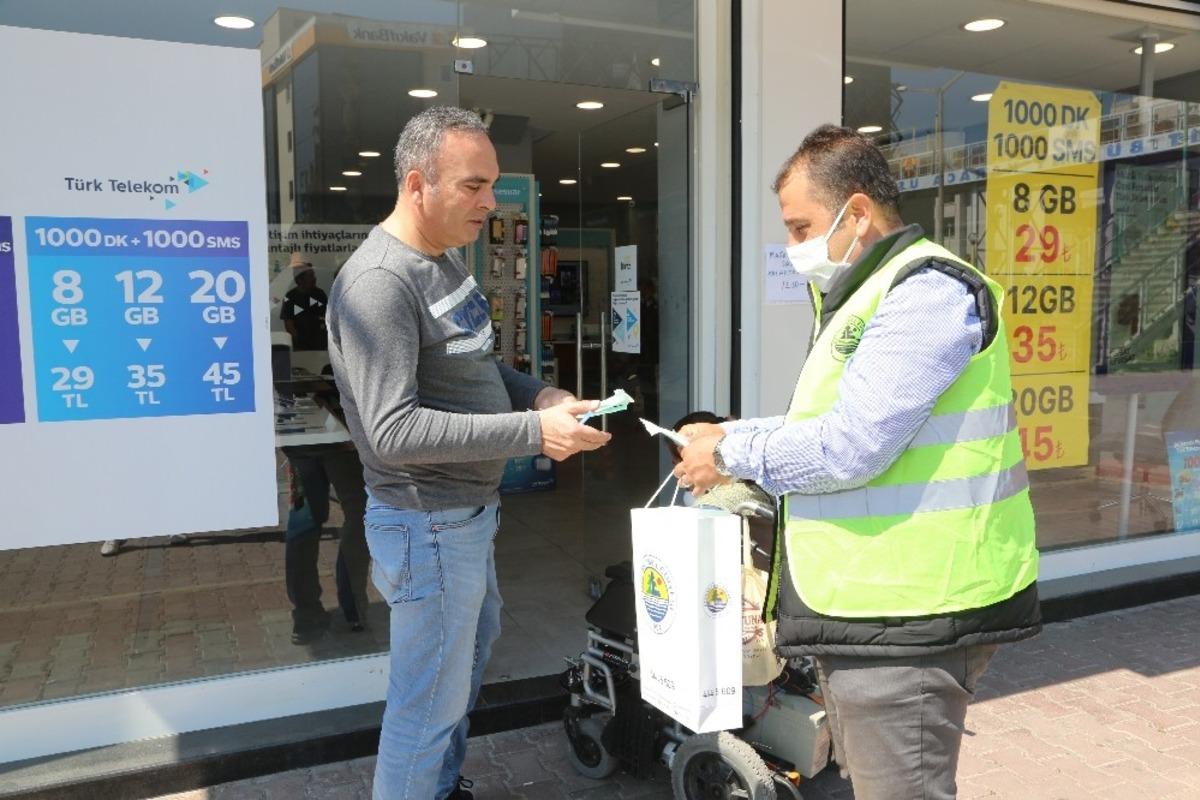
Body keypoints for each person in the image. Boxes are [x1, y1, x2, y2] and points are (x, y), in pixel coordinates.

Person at [673, 124, 1041, 800]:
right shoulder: (867, 294)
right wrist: (732, 434)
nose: (793, 248)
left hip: (914, 615)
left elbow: (851, 445)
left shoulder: (924, 294)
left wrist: (729, 451)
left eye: (800, 226)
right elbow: (831, 424)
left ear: (859, 212)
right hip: (877, 606)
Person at [327, 105, 610, 800]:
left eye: (492, 185)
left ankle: (441, 789)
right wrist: (532, 435)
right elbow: (391, 431)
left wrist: (538, 395)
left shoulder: (442, 258)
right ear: (417, 183)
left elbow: (479, 367)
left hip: (464, 518)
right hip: (427, 524)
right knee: (425, 707)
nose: (489, 203)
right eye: (474, 186)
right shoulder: (380, 283)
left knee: (455, 684)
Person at [281, 252, 329, 351]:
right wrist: (298, 341)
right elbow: (288, 323)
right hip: (301, 347)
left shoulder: (319, 294)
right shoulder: (290, 297)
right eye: (310, 276)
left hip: (321, 344)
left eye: (313, 275)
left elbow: (327, 317)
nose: (314, 278)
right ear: (300, 280)